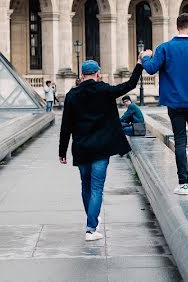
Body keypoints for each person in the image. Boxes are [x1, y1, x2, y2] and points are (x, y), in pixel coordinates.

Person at [59, 59, 144, 241]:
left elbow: (65, 126)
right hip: (101, 148)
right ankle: (91, 227)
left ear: (81, 76)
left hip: (81, 147)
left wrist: (62, 151)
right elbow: (130, 84)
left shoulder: (72, 95)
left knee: (86, 185)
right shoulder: (105, 90)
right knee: (97, 187)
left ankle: (92, 217)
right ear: (98, 74)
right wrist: (138, 64)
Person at [141, 13, 188, 195]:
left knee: (180, 141)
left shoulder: (164, 48)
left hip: (174, 104)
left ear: (177, 27)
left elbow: (150, 69)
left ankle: (183, 184)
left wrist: (145, 56)